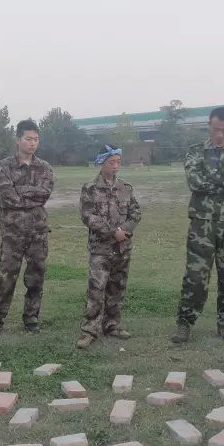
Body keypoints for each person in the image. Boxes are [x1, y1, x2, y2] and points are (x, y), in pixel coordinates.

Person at [171, 107, 224, 344]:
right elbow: (195, 183)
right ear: (209, 126)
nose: (220, 135)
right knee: (196, 276)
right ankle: (185, 323)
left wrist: (212, 176)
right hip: (201, 223)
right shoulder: (195, 152)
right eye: (216, 129)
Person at [0, 119, 54, 336]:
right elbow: (7, 197)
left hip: (37, 232)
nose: (33, 143)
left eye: (36, 139)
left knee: (36, 276)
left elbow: (44, 195)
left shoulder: (44, 167)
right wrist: (31, 195)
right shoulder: (5, 166)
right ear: (18, 140)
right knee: (6, 277)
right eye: (28, 139)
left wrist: (21, 192)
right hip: (12, 233)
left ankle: (31, 317)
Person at [76, 145, 141, 349]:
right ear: (101, 163)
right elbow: (88, 216)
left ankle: (112, 325)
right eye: (111, 162)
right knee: (96, 290)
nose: (115, 166)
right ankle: (89, 330)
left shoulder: (125, 188)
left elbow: (136, 213)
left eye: (118, 162)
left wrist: (125, 229)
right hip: (100, 249)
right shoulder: (90, 188)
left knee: (117, 288)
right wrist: (113, 232)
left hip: (122, 248)